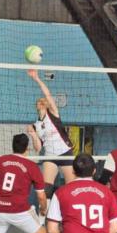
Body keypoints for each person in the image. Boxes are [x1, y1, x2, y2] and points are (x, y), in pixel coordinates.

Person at [26, 69, 75, 199]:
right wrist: (33, 135)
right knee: (46, 189)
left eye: (44, 101)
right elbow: (38, 148)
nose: (42, 101)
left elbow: (47, 94)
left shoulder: (53, 114)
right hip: (50, 155)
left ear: (47, 104)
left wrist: (37, 79)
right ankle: (43, 216)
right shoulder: (36, 125)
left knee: (71, 188)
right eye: (39, 101)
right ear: (36, 105)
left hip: (65, 153)